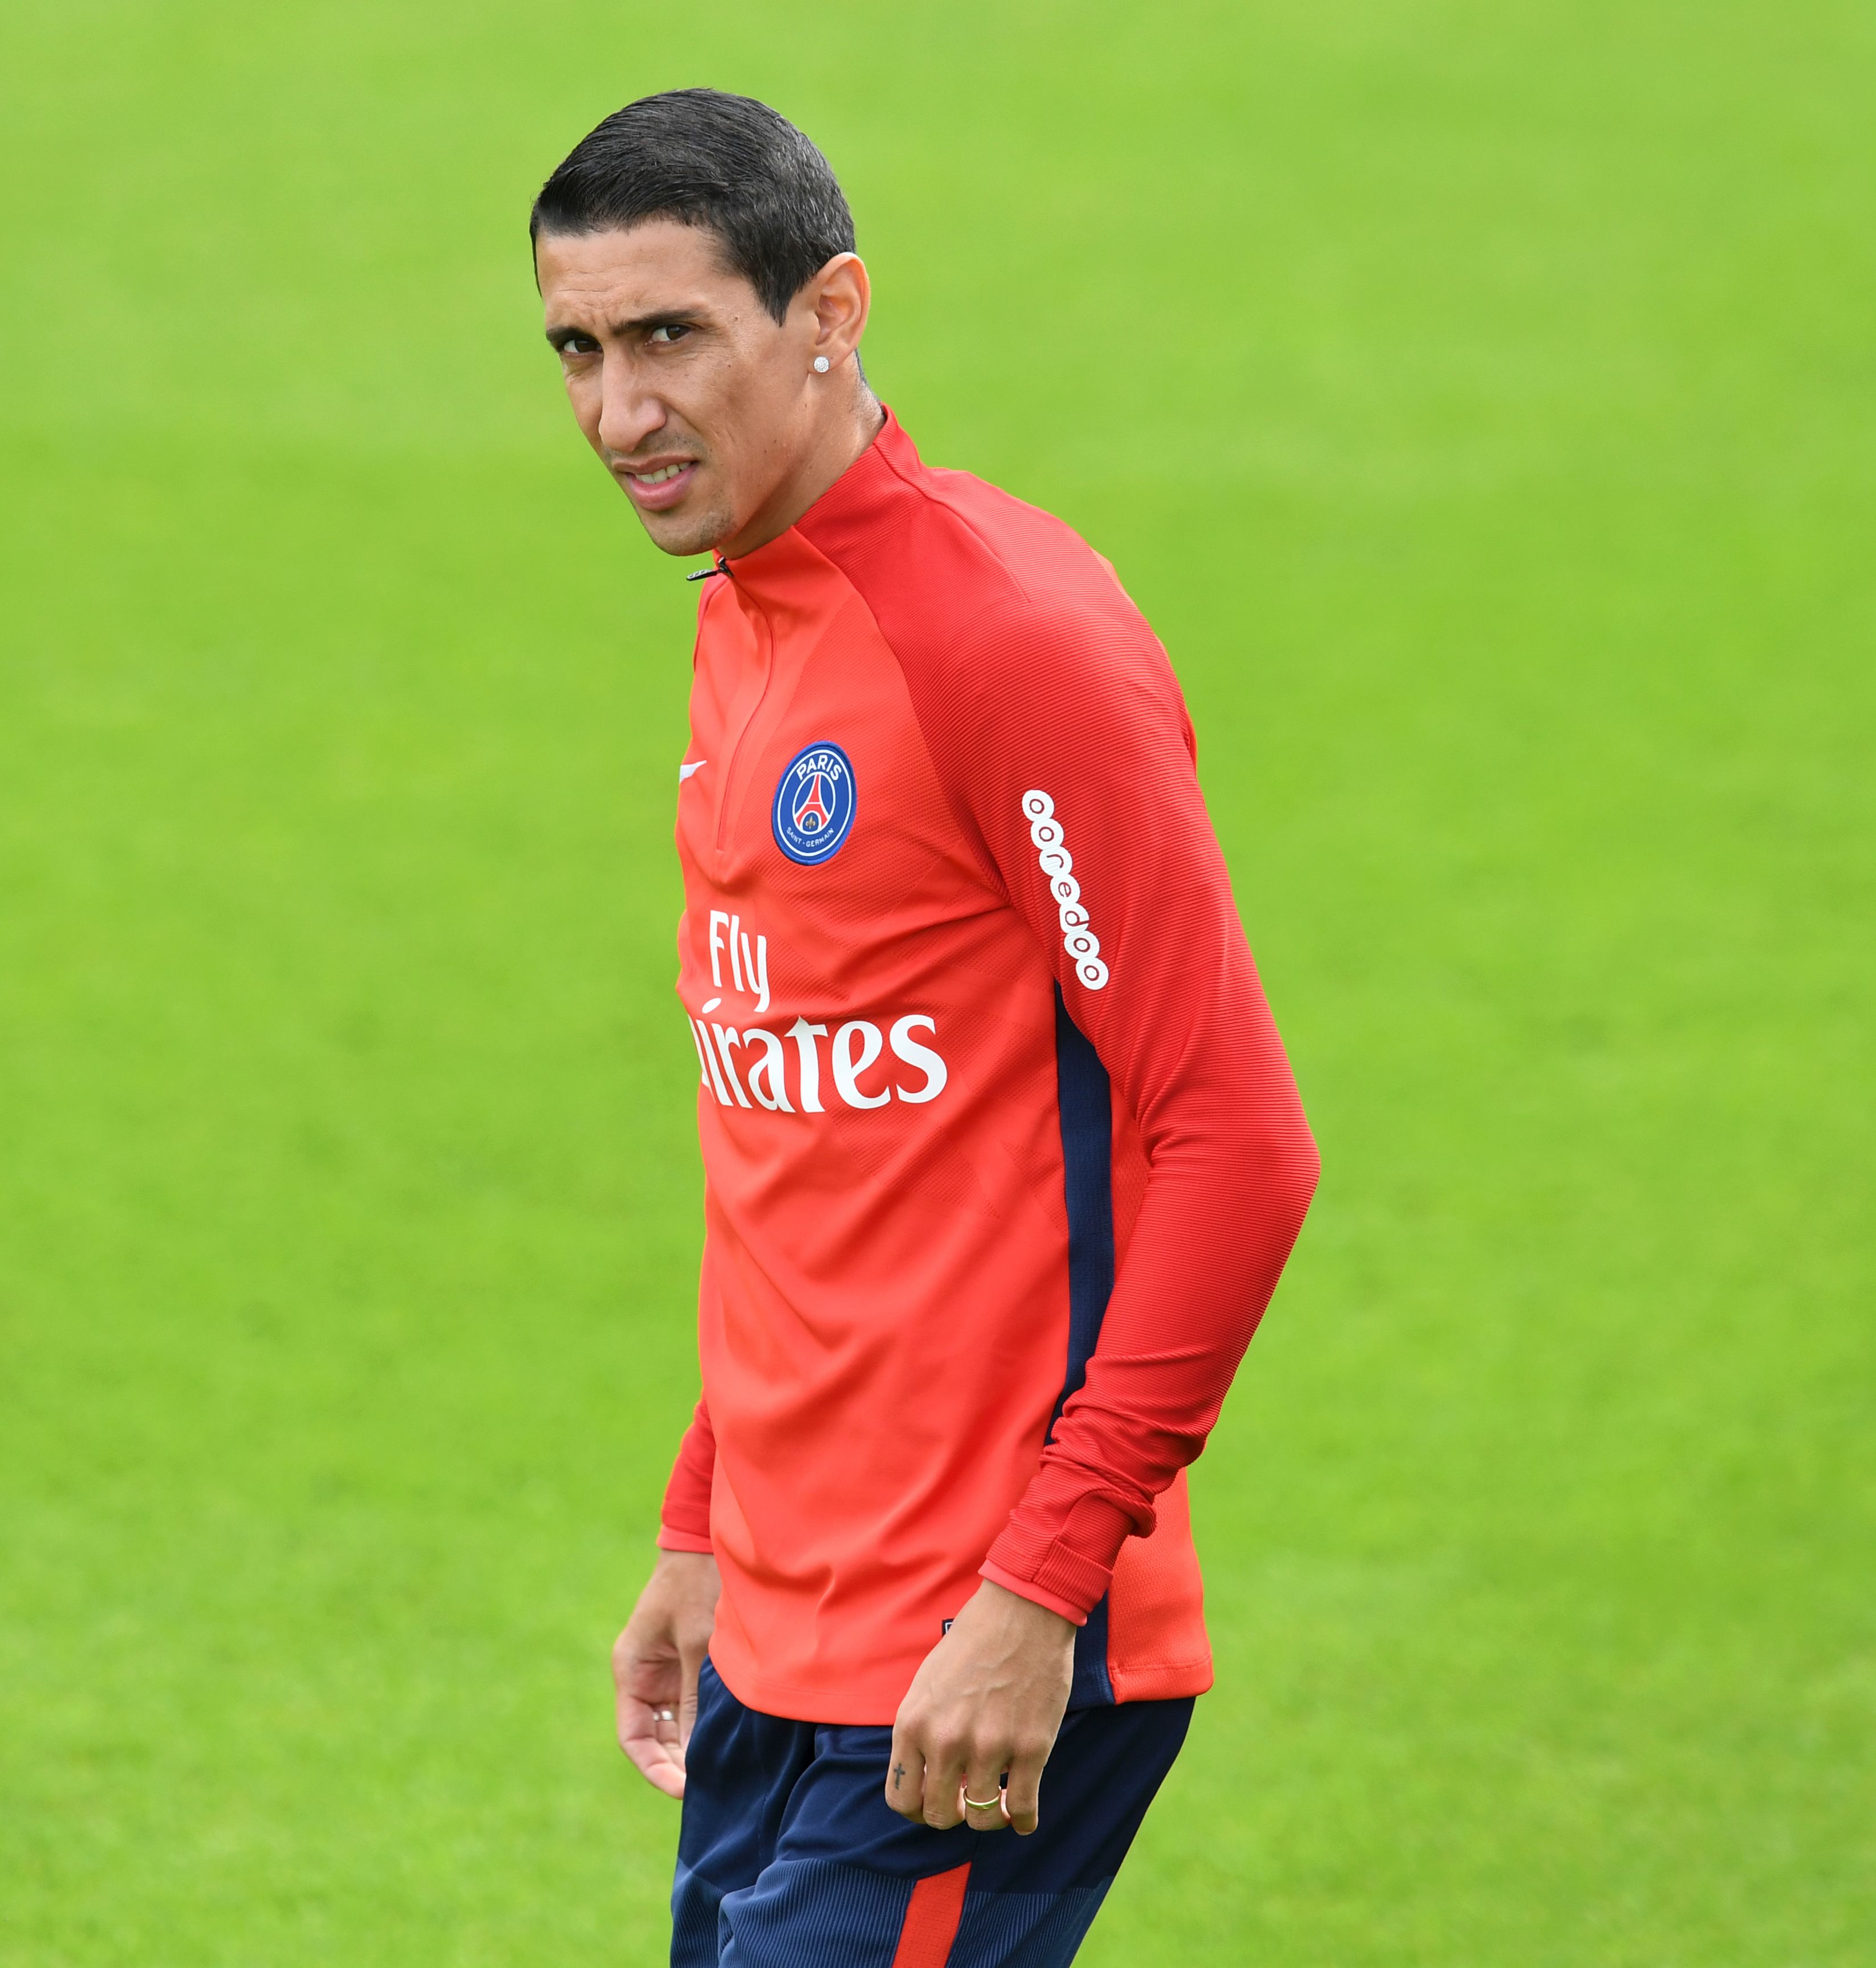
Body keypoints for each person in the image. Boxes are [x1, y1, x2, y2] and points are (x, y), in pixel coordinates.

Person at [531, 91, 1322, 1967]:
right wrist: (704, 1511)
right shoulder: (749, 614)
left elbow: (1232, 1133)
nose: (616, 413)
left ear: (833, 311)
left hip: (970, 1655)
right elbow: (825, 1148)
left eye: (669, 338)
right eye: (575, 348)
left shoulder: (1005, 638)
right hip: (782, 1625)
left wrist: (1043, 1589)